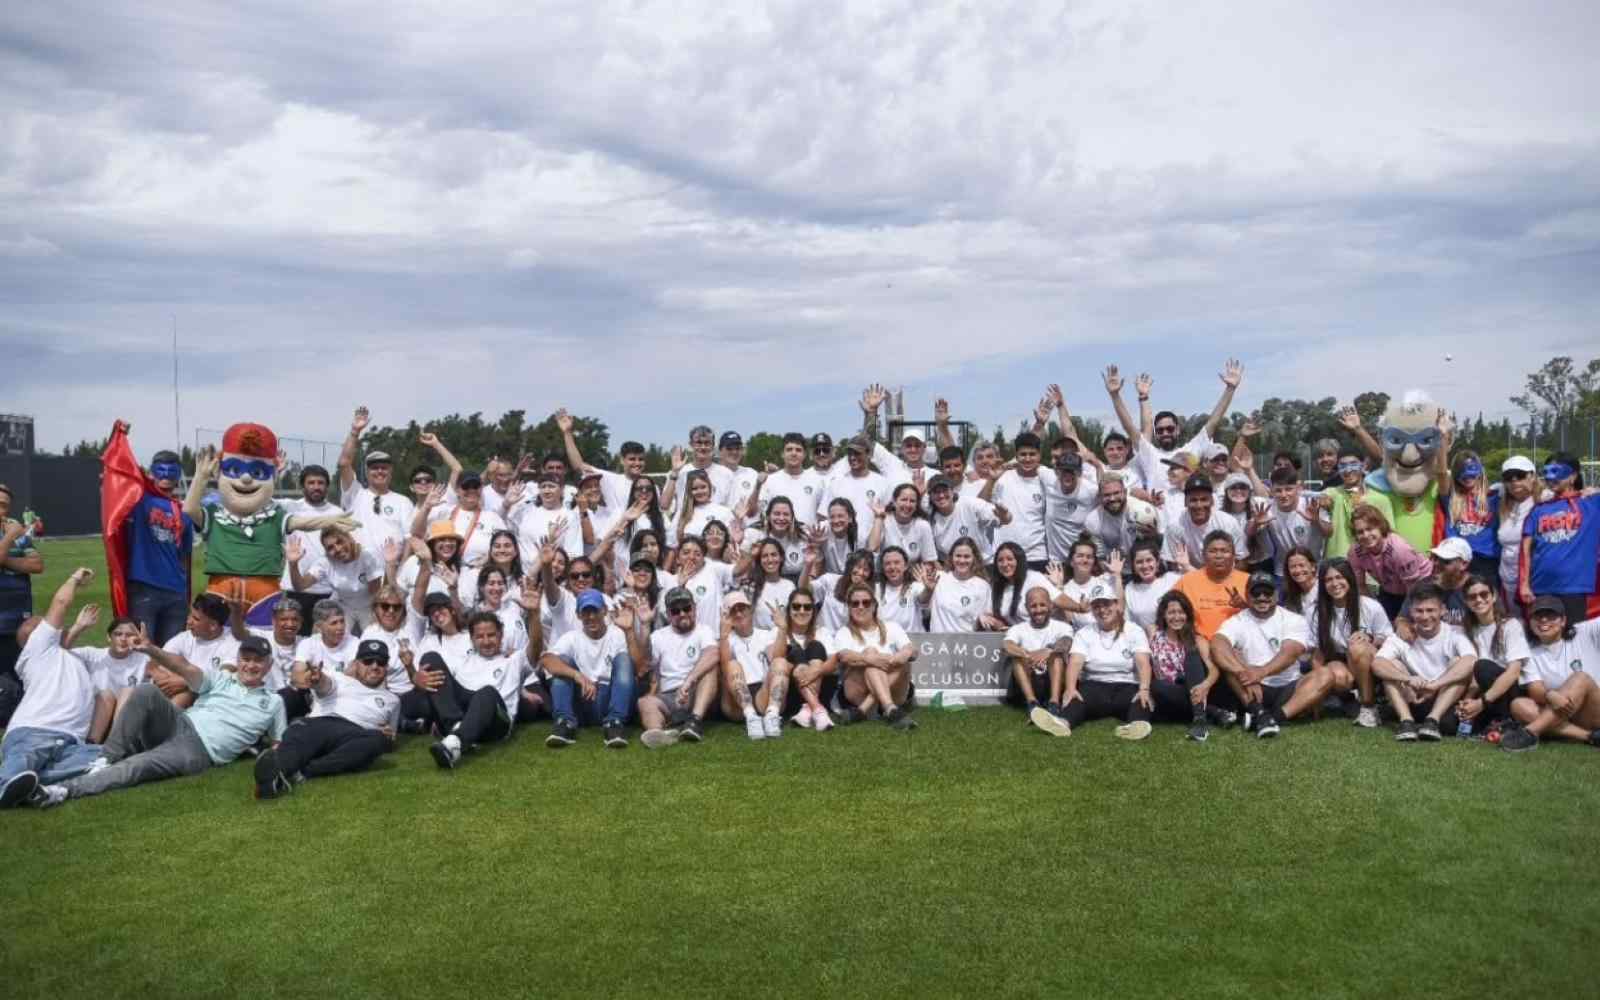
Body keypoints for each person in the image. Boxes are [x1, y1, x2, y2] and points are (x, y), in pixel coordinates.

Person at [36, 629, 288, 808]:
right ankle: (105, 758)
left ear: (268, 665)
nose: (250, 665)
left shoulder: (274, 702)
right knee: (145, 690)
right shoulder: (222, 678)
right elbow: (184, 668)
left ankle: (59, 791)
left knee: (137, 765)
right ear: (238, 660)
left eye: (258, 661)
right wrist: (151, 650)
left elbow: (279, 744)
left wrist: (278, 769)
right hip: (179, 722)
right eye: (246, 659)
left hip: (199, 750)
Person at [0, 569, 108, 808]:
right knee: (23, 760)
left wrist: (79, 627)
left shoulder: (58, 655)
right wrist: (74, 578)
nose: (55, 627)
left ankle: (29, 787)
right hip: (35, 731)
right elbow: (60, 603)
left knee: (107, 759)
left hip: (72, 742)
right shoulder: (36, 651)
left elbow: (64, 644)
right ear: (37, 636)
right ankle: (5, 787)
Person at [251, 639, 398, 799]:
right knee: (298, 741)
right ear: (356, 663)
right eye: (368, 661)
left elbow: (391, 736)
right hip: (320, 724)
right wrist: (317, 679)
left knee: (377, 741)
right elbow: (325, 684)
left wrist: (388, 736)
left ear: (386, 667)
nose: (375, 666)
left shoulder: (393, 700)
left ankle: (304, 771)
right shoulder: (339, 678)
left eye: (381, 662)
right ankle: (272, 779)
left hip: (355, 735)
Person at [1211, 572, 1329, 739]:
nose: (1262, 597)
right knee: (1229, 662)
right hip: (1253, 689)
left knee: (1326, 674)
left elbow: (1291, 652)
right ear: (1247, 595)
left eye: (1267, 592)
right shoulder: (1236, 621)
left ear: (1276, 593)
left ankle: (1270, 718)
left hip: (1289, 687)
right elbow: (1217, 644)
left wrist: (1261, 672)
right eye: (1256, 593)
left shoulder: (1293, 619)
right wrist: (1242, 673)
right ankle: (1257, 711)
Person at [1102, 360, 1243, 490]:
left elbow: (1213, 422)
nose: (1165, 433)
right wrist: (1115, 396)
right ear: (1156, 433)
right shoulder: (1150, 455)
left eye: (1169, 429)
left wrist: (1230, 389)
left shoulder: (1191, 450)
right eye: (1160, 430)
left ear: (1178, 430)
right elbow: (1130, 427)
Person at [1369, 582, 1475, 741]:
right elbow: (1377, 664)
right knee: (1392, 667)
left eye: (1431, 610)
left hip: (1443, 697)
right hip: (1412, 695)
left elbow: (1471, 661)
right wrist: (1407, 679)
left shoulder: (1455, 633)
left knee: (1458, 662)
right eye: (1419, 611)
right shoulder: (1401, 636)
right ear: (1411, 612)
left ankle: (1432, 721)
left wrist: (1436, 684)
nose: (1425, 617)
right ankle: (1406, 722)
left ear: (1443, 611)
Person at [1497, 595, 1600, 752]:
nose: (1544, 620)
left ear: (1563, 620)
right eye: (1538, 616)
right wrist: (1550, 695)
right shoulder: (1528, 652)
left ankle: (1529, 733)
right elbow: (1535, 689)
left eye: (1551, 615)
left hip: (1593, 710)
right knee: (1518, 705)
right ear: (1530, 622)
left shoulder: (1585, 632)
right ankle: (1589, 736)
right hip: (1562, 714)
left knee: (1581, 678)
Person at [113, 450, 193, 646]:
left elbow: (185, 557)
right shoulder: (139, 501)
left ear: (178, 476)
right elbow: (120, 481)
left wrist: (186, 594)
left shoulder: (185, 511)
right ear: (152, 473)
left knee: (172, 654)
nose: (165, 477)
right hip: (145, 589)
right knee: (142, 651)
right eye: (160, 471)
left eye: (171, 472)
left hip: (176, 594)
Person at [540, 589, 637, 748]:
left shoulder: (618, 633)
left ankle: (615, 723)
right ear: (578, 615)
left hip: (609, 697)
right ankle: (564, 723)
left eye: (595, 611)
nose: (591, 617)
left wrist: (630, 630)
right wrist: (576, 675)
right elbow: (546, 660)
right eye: (585, 612)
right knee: (562, 661)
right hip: (583, 698)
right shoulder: (571, 637)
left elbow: (636, 667)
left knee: (624, 659)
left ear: (604, 611)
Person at [1061, 580, 1155, 740]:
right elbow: (1075, 662)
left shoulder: (1134, 630)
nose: (1102, 610)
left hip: (1127, 684)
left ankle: (1136, 726)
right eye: (1096, 606)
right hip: (1094, 685)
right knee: (1076, 698)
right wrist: (1070, 688)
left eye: (1106, 604)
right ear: (1091, 609)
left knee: (1141, 700)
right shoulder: (1084, 633)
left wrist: (1144, 689)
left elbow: (1143, 662)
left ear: (1117, 604)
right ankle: (1063, 723)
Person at [1306, 559, 1393, 728]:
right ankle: (1350, 699)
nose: (1335, 584)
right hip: (1340, 660)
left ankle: (1369, 706)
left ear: (1350, 579)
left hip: (1372, 660)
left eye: (1339, 578)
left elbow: (1388, 638)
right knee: (1337, 675)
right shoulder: (1315, 611)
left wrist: (1371, 639)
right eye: (1328, 580)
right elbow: (1317, 652)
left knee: (1357, 646)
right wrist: (1317, 690)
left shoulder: (1370, 606)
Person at [1518, 453, 1600, 623]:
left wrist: (1597, 490)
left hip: (1574, 588)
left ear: (1573, 476)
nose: (1550, 477)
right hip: (1540, 587)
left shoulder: (1592, 503)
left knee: (1574, 641)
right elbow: (1525, 551)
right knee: (1543, 642)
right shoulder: (1538, 510)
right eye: (1546, 471)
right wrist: (1524, 584)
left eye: (1557, 471)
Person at [637, 587, 721, 746]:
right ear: (668, 615)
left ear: (694, 608)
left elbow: (713, 654)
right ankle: (659, 735)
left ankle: (694, 722)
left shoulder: (704, 631)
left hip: (697, 692)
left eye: (686, 608)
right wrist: (645, 625)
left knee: (711, 670)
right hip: (669, 696)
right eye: (675, 611)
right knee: (644, 702)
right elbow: (644, 662)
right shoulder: (659, 636)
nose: (682, 613)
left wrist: (688, 681)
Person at [832, 584, 919, 732]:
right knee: (870, 653)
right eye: (855, 603)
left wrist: (898, 657)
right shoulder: (844, 632)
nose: (860, 607)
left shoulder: (892, 627)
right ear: (849, 607)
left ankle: (864, 710)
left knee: (902, 660)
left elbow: (912, 651)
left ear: (874, 605)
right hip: (857, 692)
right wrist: (872, 659)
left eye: (866, 602)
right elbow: (844, 656)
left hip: (895, 693)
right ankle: (890, 709)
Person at [1454, 575, 1532, 735]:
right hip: (1486, 693)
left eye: (1484, 594)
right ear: (1466, 602)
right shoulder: (1468, 630)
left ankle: (1507, 720)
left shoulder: (1510, 625)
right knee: (1450, 724)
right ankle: (1493, 722)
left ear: (1494, 596)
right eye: (1472, 597)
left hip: (1511, 691)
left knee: (1483, 666)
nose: (1479, 600)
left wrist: (1481, 703)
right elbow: (1474, 675)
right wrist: (1469, 699)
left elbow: (1513, 672)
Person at [1147, 591, 1225, 740]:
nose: (1176, 617)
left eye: (1181, 612)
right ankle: (1213, 712)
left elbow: (1214, 670)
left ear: (1187, 614)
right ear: (1163, 614)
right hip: (1166, 693)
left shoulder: (1198, 639)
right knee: (1157, 685)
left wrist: (1205, 685)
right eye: (1171, 612)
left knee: (1192, 655)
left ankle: (1199, 720)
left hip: (1195, 688)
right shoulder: (1153, 632)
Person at [336, 408, 417, 552]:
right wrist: (355, 432)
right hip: (357, 570)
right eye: (374, 468)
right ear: (366, 472)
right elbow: (344, 463)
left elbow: (409, 539)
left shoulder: (403, 502)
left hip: (392, 570)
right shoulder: (355, 494)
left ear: (391, 471)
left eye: (384, 467)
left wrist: (402, 568)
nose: (380, 471)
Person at [287, 526, 393, 631]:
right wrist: (293, 564)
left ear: (350, 538)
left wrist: (377, 616)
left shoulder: (368, 555)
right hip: (343, 605)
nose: (337, 549)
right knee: (322, 631)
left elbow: (376, 593)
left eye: (340, 542)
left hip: (369, 605)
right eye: (330, 547)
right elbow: (300, 586)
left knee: (373, 636)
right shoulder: (325, 562)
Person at [1001, 586, 1074, 736]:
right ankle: (1032, 705)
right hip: (1029, 681)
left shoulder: (1062, 626)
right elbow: (1006, 646)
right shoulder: (1018, 628)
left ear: (1051, 606)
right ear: (1026, 608)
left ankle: (1054, 704)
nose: (1038, 609)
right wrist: (1027, 655)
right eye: (1033, 606)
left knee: (1057, 657)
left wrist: (1049, 652)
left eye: (1042, 605)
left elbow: (1066, 642)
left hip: (1054, 681)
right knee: (1017, 658)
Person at [0, 483, 46, 717]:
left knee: (20, 668)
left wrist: (5, 560)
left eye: (5, 506)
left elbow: (37, 565)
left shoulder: (19, 535)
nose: (3, 510)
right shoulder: (13, 532)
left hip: (19, 615)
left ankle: (18, 712)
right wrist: (9, 536)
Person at [718, 592, 789, 740]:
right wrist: (723, 636)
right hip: (736, 701)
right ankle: (751, 717)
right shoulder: (726, 639)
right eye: (733, 610)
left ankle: (772, 715)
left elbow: (776, 658)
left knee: (781, 662)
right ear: (727, 616)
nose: (738, 613)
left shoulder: (765, 635)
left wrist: (782, 629)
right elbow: (725, 668)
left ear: (750, 610)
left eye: (742, 608)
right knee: (732, 665)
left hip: (763, 693)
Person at [1346, 502, 1432, 620]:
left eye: (1370, 529)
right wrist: (1373, 612)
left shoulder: (1399, 549)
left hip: (1421, 584)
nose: (1366, 535)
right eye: (1360, 532)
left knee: (1405, 626)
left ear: (1381, 527)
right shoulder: (1355, 552)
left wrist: (1402, 619)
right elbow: (1360, 586)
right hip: (1390, 588)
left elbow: (1414, 591)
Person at [278, 465, 338, 634]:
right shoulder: (289, 508)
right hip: (294, 588)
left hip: (328, 590)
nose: (316, 487)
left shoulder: (336, 512)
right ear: (302, 486)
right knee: (292, 637)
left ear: (327, 486)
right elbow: (263, 500)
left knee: (325, 641)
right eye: (311, 482)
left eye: (321, 483)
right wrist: (276, 472)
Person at [156, 593, 240, 709]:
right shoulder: (184, 637)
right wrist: (170, 680)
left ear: (213, 625)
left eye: (196, 619)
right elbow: (156, 664)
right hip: (177, 695)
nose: (188, 621)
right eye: (190, 615)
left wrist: (186, 683)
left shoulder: (233, 641)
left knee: (187, 694)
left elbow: (223, 678)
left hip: (213, 702)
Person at [418, 471, 507, 570]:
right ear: (457, 490)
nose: (471, 490)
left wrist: (489, 557)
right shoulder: (444, 511)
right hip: (444, 573)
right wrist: (426, 507)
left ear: (481, 489)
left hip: (479, 573)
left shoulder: (492, 517)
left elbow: (507, 544)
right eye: (466, 486)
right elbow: (416, 534)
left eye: (476, 486)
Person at [1173, 531, 1251, 642]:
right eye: (1212, 551)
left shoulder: (1248, 581)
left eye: (1224, 551)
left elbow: (1265, 616)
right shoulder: (1187, 581)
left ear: (1234, 556)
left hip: (1240, 644)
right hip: (1198, 644)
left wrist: (1245, 606)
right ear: (1203, 555)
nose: (1218, 556)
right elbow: (1168, 610)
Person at [1322, 442, 1394, 561]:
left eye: (1353, 464)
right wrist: (1321, 501)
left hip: (1372, 569)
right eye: (1343, 466)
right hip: (1338, 567)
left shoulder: (1381, 499)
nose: (1348, 470)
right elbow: (1315, 498)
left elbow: (1390, 535)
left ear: (1364, 465)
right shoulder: (1332, 494)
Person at [1164, 473, 1248, 568]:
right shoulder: (1175, 526)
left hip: (1224, 576)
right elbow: (1172, 564)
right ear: (1185, 502)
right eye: (1193, 500)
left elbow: (1241, 560)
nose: (1199, 506)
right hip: (1188, 576)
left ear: (1212, 501)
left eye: (1204, 499)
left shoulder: (1228, 522)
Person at [991, 432, 1049, 570]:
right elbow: (981, 503)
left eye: (1032, 454)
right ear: (1016, 456)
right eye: (1023, 454)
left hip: (1037, 555)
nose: (1027, 459)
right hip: (1005, 556)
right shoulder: (1003, 478)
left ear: (1039, 455)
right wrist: (991, 480)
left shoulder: (1046, 480)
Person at [1262, 466, 1330, 575]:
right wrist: (1255, 523)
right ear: (1272, 491)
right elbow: (1248, 532)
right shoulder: (1267, 508)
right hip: (1283, 572)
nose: (1284, 495)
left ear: (1298, 488)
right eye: (1278, 490)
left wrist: (1317, 521)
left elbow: (1329, 532)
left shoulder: (1311, 504)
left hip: (1313, 569)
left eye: (1288, 489)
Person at [1493, 456, 1539, 614]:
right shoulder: (1501, 503)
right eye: (1508, 477)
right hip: (1507, 582)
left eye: (1519, 475)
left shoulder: (1545, 499)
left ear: (1532, 476)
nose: (1514, 481)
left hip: (1533, 582)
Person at [927, 474, 1008, 563]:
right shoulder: (929, 519)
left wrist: (1004, 516)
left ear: (953, 491)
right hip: (955, 568)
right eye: (936, 492)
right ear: (930, 496)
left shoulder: (969, 503)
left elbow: (1004, 519)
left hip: (982, 563)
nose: (941, 495)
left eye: (945, 490)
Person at [916, 538, 989, 632]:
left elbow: (985, 619)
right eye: (958, 556)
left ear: (974, 558)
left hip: (969, 643)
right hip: (939, 643)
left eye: (967, 556)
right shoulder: (938, 578)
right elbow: (921, 604)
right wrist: (928, 590)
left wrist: (983, 619)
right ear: (951, 557)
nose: (962, 560)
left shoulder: (982, 586)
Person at [754, 433, 826, 529]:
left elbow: (823, 516)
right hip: (777, 541)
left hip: (808, 541)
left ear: (804, 454)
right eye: (789, 449)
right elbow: (762, 513)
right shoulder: (770, 481)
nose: (794, 453)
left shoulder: (818, 481)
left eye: (798, 450)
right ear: (782, 454)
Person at [984, 542, 1060, 629]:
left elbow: (1060, 601)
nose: (1005, 564)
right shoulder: (996, 587)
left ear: (1019, 560)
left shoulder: (1033, 577)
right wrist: (983, 617)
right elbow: (995, 617)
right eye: (1000, 560)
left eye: (1010, 559)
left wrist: (1059, 587)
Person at [1120, 540, 1181, 633]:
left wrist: (1187, 566)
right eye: (1139, 562)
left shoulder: (1172, 578)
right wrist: (1116, 575)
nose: (1145, 566)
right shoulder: (1130, 588)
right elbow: (1127, 623)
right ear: (1133, 566)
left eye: (1149, 560)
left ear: (1157, 562)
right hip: (1146, 640)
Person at [879, 484, 936, 567]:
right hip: (885, 573)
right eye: (904, 500)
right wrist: (878, 518)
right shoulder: (884, 521)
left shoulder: (923, 525)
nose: (908, 505)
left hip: (912, 574)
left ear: (917, 505)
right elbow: (872, 548)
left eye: (912, 501)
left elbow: (929, 561)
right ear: (894, 502)